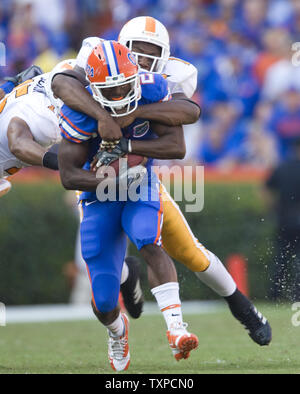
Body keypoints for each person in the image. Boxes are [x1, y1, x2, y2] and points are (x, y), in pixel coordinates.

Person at [52, 16, 272, 347]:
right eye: (136, 52)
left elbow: (188, 112)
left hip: (140, 177)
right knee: (100, 261)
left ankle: (243, 308)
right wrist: (103, 117)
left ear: (164, 56)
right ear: (122, 48)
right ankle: (127, 278)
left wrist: (134, 114)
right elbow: (62, 83)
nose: (142, 61)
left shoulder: (170, 76)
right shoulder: (97, 57)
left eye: (150, 54)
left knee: (188, 251)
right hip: (101, 179)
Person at [58, 41, 199, 371]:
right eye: (113, 88)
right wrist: (110, 181)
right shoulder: (79, 111)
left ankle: (176, 328)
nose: (122, 91)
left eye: (126, 83)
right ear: (94, 89)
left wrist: (128, 140)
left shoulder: (150, 88)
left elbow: (177, 144)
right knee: (105, 301)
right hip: (99, 197)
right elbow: (69, 175)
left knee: (148, 237)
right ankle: (118, 332)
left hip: (139, 182)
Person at [0, 68, 62, 198]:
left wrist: (12, 84)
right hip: (38, 100)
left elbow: (18, 145)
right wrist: (12, 84)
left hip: (38, 106)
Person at [264, 138, 300, 302]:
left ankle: (275, 294)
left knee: (281, 257)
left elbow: (265, 189)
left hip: (284, 219)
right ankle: (297, 295)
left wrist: (272, 208)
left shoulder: (282, 167)